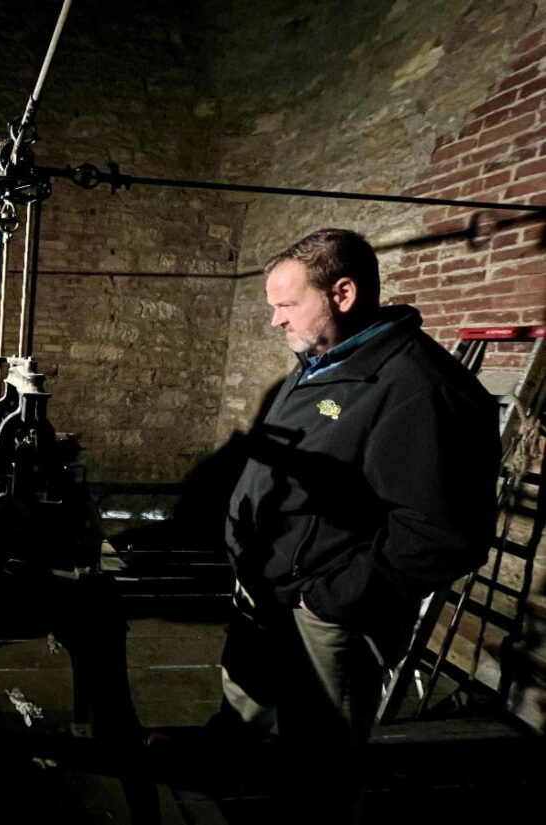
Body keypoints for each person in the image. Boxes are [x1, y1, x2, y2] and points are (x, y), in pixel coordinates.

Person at [217, 228, 499, 820]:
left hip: (325, 615)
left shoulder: (423, 388)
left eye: (286, 305)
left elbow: (442, 532)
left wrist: (330, 600)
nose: (274, 321)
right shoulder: (322, 358)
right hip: (268, 592)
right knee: (246, 708)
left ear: (341, 294)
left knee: (320, 766)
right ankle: (224, 772)